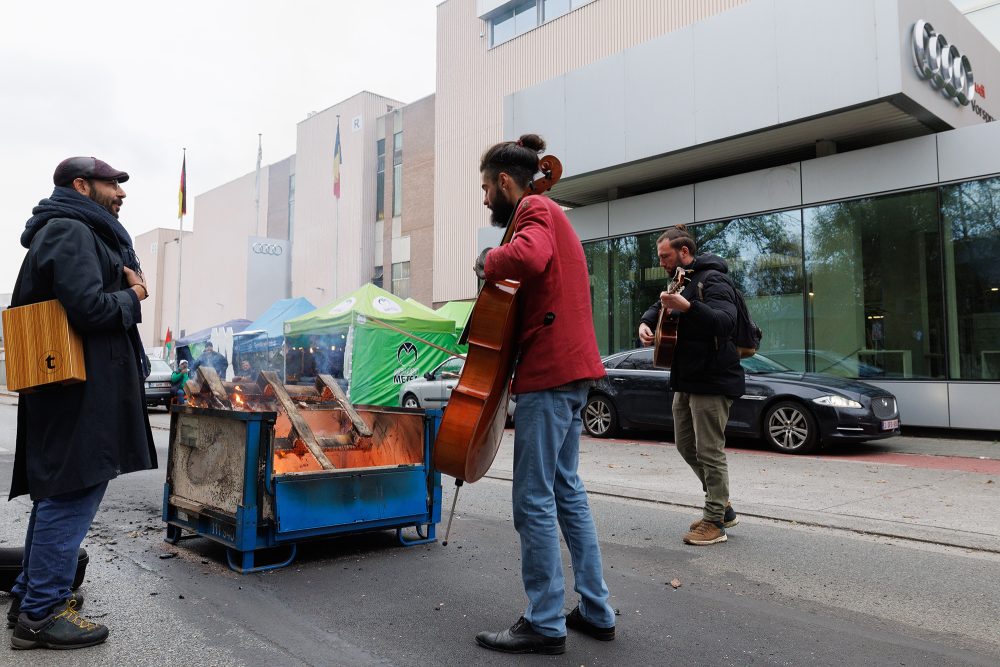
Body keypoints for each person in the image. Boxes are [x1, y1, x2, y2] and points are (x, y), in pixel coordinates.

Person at [472, 134, 615, 655]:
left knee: (532, 499)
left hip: (549, 374)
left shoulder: (534, 206)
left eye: (487, 188)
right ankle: (596, 610)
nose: (486, 199)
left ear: (506, 183)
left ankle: (545, 621)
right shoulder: (550, 212)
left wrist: (489, 259)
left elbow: (527, 258)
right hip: (573, 373)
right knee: (566, 491)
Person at [7, 156, 157, 649]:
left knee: (59, 494)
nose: (121, 192)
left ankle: (32, 596)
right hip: (77, 394)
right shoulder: (71, 230)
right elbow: (89, 308)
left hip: (73, 390)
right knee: (72, 492)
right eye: (113, 183)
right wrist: (134, 294)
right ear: (81, 185)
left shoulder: (80, 230)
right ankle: (41, 615)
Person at [638, 225, 745, 546]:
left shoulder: (714, 280)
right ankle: (721, 504)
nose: (662, 263)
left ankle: (715, 521)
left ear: (684, 252)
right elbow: (660, 306)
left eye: (665, 256)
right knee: (686, 445)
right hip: (686, 377)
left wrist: (687, 307)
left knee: (710, 451)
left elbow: (726, 321)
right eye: (660, 258)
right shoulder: (680, 280)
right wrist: (646, 320)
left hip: (713, 378)